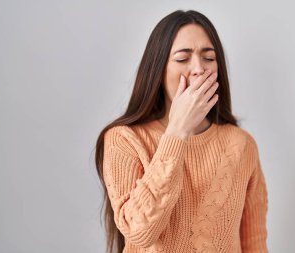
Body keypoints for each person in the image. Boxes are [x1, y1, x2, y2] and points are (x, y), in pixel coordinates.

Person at [95, 9, 269, 253]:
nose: (198, 68)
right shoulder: (124, 139)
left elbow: (254, 243)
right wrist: (177, 132)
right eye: (182, 58)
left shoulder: (241, 144)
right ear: (158, 68)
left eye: (209, 58)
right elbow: (139, 232)